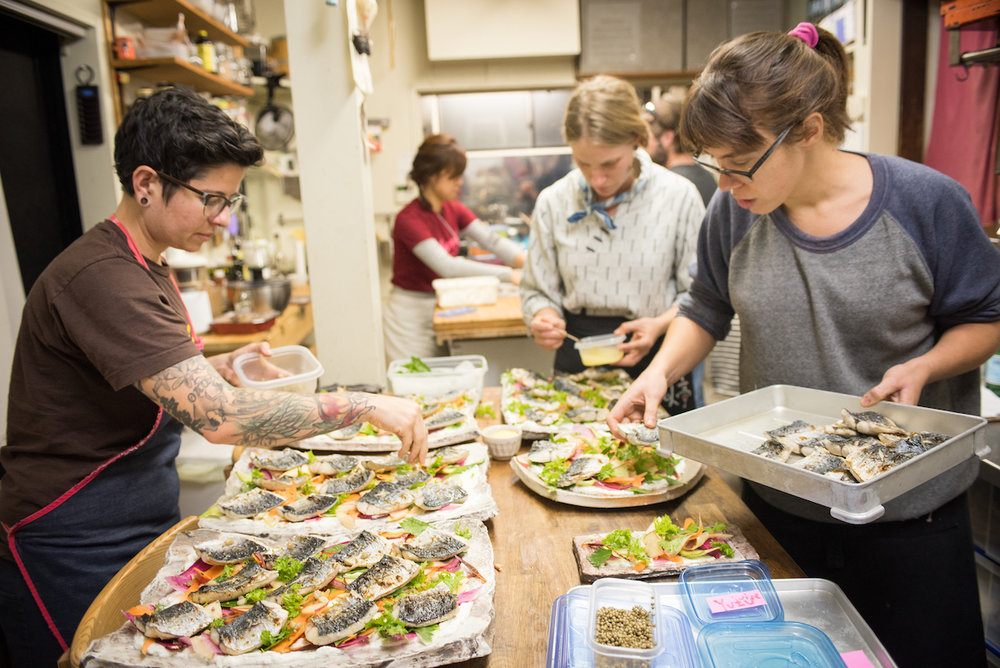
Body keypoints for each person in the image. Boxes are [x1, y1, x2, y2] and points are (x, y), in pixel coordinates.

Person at [608, 23, 998, 667]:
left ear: (811, 130)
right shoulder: (737, 211)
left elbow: (988, 316)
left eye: (741, 165)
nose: (728, 185)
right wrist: (658, 372)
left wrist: (928, 364)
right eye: (716, 168)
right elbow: (706, 306)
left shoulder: (927, 203)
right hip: (778, 508)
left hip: (911, 523)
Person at [0, 86, 427, 666]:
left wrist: (217, 368)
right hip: (69, 535)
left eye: (231, 201)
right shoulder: (103, 275)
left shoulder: (146, 260)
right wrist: (363, 405)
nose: (223, 220)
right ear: (147, 184)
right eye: (212, 199)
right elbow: (221, 420)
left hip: (136, 514)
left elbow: (146, 380)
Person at [519, 75, 705, 413]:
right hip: (578, 360)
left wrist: (659, 324)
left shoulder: (678, 197)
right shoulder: (554, 201)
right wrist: (543, 316)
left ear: (637, 139)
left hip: (658, 357)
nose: (597, 179)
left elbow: (700, 296)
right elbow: (536, 290)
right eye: (583, 164)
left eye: (609, 164)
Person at [383, 134, 526, 363]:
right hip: (410, 315)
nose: (460, 181)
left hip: (444, 306)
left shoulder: (453, 209)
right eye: (453, 175)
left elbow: (492, 241)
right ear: (431, 175)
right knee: (416, 381)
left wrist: (528, 263)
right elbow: (447, 266)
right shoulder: (409, 219)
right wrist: (510, 275)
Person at [643, 89, 718, 206]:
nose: (642, 147)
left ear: (667, 138)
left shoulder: (671, 185)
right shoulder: (707, 176)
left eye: (646, 138)